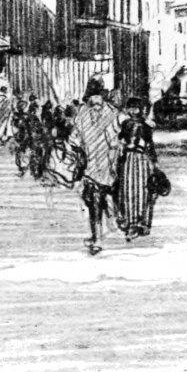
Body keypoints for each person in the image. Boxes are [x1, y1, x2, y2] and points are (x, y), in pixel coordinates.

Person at [68, 77, 124, 254]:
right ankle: (97, 238)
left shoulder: (114, 114)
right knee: (94, 203)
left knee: (113, 198)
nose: (96, 100)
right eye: (93, 97)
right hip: (91, 167)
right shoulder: (82, 115)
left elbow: (123, 135)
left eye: (99, 96)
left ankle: (115, 220)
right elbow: (74, 138)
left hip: (111, 165)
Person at [115, 97, 160, 241]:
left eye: (136, 108)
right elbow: (120, 141)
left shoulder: (146, 126)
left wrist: (154, 162)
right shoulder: (126, 124)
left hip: (142, 160)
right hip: (128, 159)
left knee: (143, 191)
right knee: (128, 191)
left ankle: (142, 222)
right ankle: (131, 223)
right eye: (131, 108)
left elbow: (149, 145)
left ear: (141, 109)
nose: (134, 111)